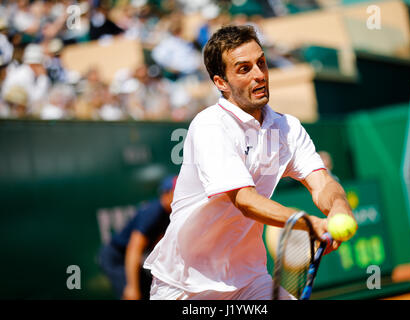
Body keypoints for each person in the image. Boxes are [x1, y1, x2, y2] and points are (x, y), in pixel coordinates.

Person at [144, 25, 356, 300]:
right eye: (244, 69)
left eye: (262, 63)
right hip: (185, 287)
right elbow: (245, 200)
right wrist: (307, 223)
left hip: (249, 280)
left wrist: (339, 207)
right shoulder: (210, 126)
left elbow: (322, 182)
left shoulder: (287, 128)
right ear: (221, 82)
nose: (259, 75)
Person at [98, 175, 177, 300]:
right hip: (116, 258)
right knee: (131, 295)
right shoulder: (153, 213)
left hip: (132, 259)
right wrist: (132, 287)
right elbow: (133, 249)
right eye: (177, 192)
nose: (181, 196)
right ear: (166, 194)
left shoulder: (170, 215)